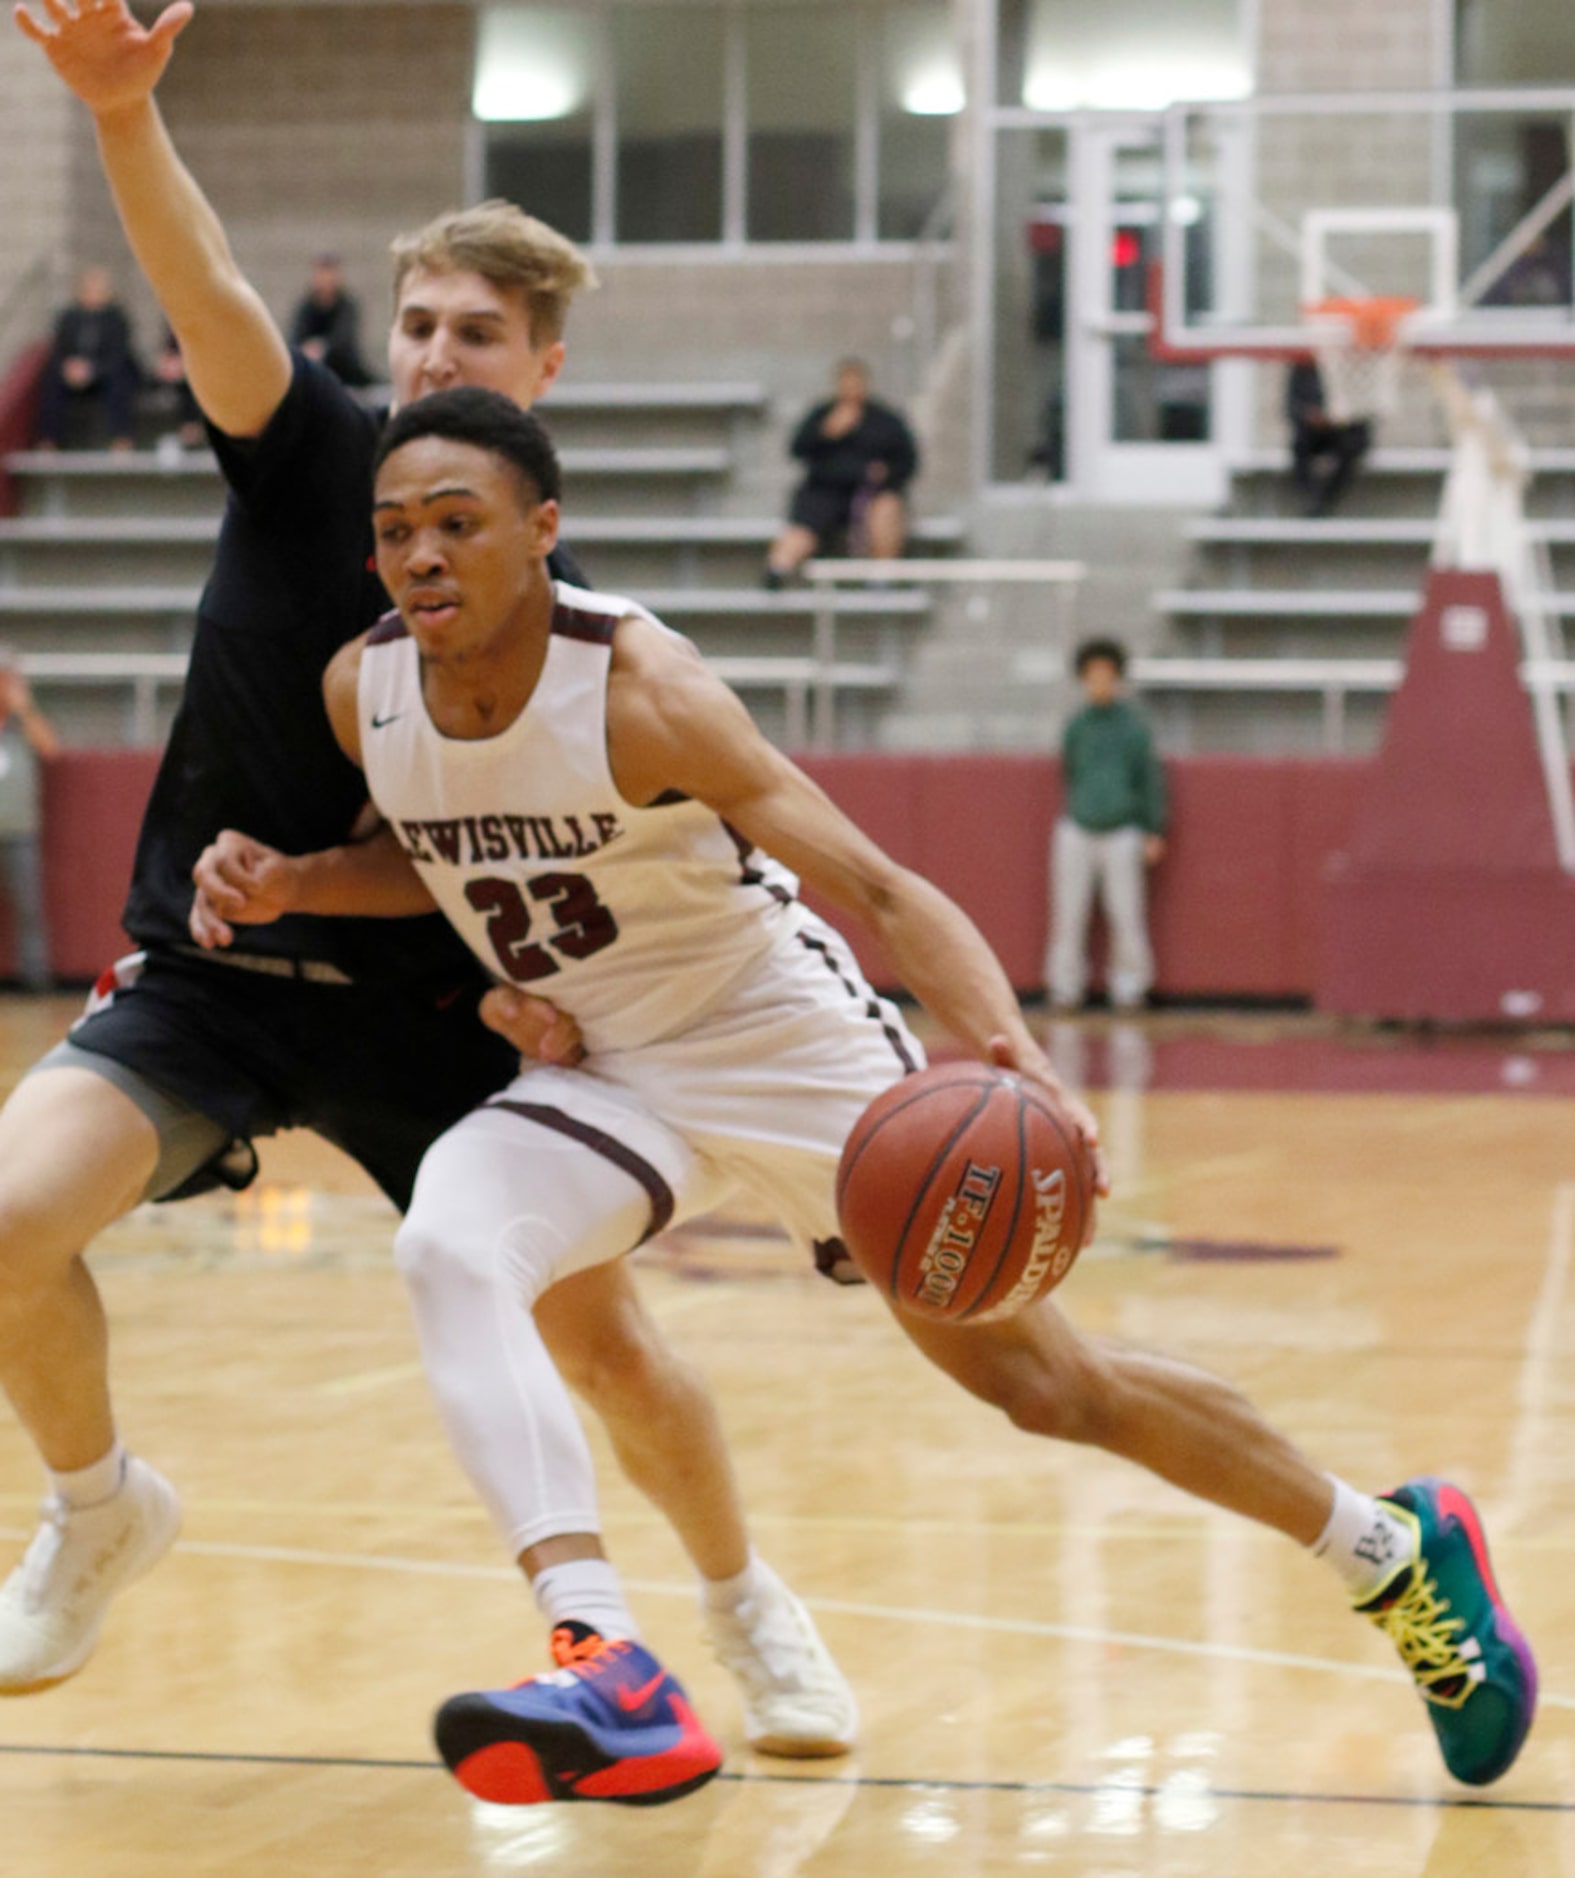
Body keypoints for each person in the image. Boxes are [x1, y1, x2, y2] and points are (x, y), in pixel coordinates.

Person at [197, 388, 1535, 1806]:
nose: (418, 556)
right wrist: (293, 883)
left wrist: (1010, 1050)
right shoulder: (368, 689)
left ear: (540, 533)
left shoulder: (646, 690)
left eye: (454, 525)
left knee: (1044, 1383)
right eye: (394, 531)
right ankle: (605, 1655)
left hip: (783, 1043)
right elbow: (440, 854)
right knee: (448, 1240)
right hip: (605, 1066)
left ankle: (1391, 1551)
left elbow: (883, 889)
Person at [3, 0, 854, 1764]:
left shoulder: (566, 609)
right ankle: (97, 1505)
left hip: (430, 1018)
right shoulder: (310, 457)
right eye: (416, 320)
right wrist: (119, 119)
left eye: (477, 328)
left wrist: (532, 990)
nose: (436, 346)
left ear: (542, 369)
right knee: (7, 1224)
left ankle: (746, 1600)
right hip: (212, 984)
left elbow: (553, 855)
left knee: (607, 1352)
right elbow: (210, 290)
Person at [1046, 638, 1166, 1015]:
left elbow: (1150, 779)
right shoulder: (1077, 726)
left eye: (1106, 677)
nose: (1099, 684)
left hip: (1121, 831)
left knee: (1126, 913)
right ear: (1084, 680)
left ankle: (1129, 990)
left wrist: (1154, 828)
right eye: (1092, 677)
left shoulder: (1133, 729)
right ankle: (1065, 989)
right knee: (1068, 914)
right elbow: (1068, 770)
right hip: (1078, 828)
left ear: (1116, 679)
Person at [763, 359, 917, 588]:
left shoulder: (885, 421)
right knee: (801, 529)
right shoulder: (822, 415)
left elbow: (908, 461)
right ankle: (778, 568)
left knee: (887, 508)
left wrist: (886, 472)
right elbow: (797, 449)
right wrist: (826, 431)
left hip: (870, 493)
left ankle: (881, 576)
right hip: (825, 491)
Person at [34, 263, 141, 451]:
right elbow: (59, 349)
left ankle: (121, 437)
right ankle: (49, 440)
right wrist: (69, 368)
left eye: (98, 289)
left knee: (121, 378)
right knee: (51, 378)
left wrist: (93, 370)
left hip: (105, 371)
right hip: (74, 373)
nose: (92, 293)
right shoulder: (68, 317)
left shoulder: (116, 318)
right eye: (88, 288)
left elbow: (118, 353)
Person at [0, 653, 59, 993]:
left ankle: (35, 980)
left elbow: (50, 748)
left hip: (20, 830)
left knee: (28, 909)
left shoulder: (23, 722)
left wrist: (22, 706)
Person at [1286, 356, 1370, 517]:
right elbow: (1291, 407)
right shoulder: (1304, 369)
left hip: (1346, 431)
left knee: (1352, 446)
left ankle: (1325, 501)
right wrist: (1311, 416)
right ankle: (1308, 498)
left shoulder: (1353, 369)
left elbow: (1363, 411)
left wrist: (1341, 417)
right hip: (1313, 433)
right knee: (1299, 445)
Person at [288, 253, 373, 389]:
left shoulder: (347, 305)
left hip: (344, 372)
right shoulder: (305, 307)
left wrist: (322, 347)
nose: (326, 280)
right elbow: (295, 339)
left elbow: (344, 341)